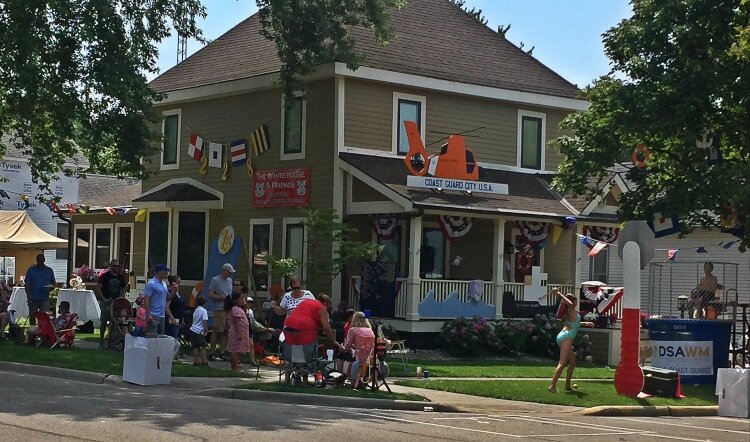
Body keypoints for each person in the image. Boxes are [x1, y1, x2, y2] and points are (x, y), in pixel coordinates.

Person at [281, 294, 338, 382]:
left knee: (291, 351)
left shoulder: (305, 301)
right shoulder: (322, 308)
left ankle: (287, 378)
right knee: (307, 352)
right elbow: (326, 327)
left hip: (289, 325)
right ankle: (305, 379)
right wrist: (333, 340)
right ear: (326, 303)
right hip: (306, 329)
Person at [548, 289, 594, 393]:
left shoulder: (571, 312)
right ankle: (552, 386)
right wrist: (560, 294)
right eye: (575, 300)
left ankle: (567, 386)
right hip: (566, 337)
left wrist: (585, 324)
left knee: (573, 362)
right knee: (562, 362)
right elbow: (568, 303)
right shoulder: (571, 308)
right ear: (572, 301)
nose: (577, 302)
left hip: (565, 336)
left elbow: (574, 323)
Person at [96, 259, 127, 348]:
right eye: (114, 266)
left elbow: (124, 287)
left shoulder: (121, 277)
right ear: (110, 266)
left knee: (115, 321)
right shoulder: (105, 276)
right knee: (104, 321)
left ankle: (112, 339)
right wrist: (104, 299)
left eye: (118, 266)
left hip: (116, 302)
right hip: (106, 302)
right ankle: (101, 339)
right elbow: (98, 287)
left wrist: (121, 297)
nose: (116, 268)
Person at [207, 263, 234, 361]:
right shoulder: (215, 280)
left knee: (226, 331)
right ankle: (212, 352)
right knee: (217, 331)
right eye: (229, 272)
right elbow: (210, 294)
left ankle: (222, 352)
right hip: (219, 308)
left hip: (228, 308)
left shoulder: (230, 280)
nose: (230, 274)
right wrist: (221, 298)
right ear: (224, 271)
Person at [24, 254, 56, 325]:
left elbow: (54, 283)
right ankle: (32, 331)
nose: (40, 262)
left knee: (44, 316)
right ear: (36, 260)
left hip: (44, 298)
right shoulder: (31, 270)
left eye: (41, 260)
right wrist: (28, 295)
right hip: (33, 298)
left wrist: (51, 287)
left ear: (44, 260)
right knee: (32, 316)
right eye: (38, 260)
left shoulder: (49, 270)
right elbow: (27, 284)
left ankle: (42, 332)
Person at [143, 264, 174, 335]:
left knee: (161, 337)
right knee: (153, 337)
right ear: (160, 272)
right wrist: (148, 314)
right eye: (165, 271)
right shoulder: (151, 284)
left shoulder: (164, 284)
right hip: (153, 315)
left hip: (162, 315)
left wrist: (174, 291)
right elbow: (146, 299)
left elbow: (167, 298)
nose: (167, 273)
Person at [225, 291, 251, 372]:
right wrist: (239, 333)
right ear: (236, 300)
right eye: (241, 298)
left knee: (239, 350)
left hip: (242, 332)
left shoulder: (240, 309)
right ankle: (234, 368)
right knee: (235, 351)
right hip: (237, 333)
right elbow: (237, 322)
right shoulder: (235, 309)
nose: (243, 300)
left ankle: (237, 365)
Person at [336, 309, 362, 380]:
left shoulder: (350, 326)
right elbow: (347, 339)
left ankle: (342, 375)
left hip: (354, 348)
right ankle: (342, 375)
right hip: (353, 347)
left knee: (342, 355)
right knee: (341, 355)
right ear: (350, 317)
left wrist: (345, 347)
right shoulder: (350, 326)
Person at [189, 295, 209, 366]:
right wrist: (206, 331)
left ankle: (196, 361)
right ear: (205, 303)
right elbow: (204, 321)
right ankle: (204, 361)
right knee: (204, 346)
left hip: (193, 329)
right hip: (199, 331)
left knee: (195, 346)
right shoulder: (204, 311)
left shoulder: (196, 310)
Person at [165, 275, 185, 342]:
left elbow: (182, 307)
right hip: (172, 319)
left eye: (179, 283)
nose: (179, 284)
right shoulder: (170, 293)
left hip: (179, 319)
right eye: (177, 282)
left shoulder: (179, 293)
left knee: (176, 338)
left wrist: (182, 319)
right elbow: (166, 306)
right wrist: (171, 318)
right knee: (172, 338)